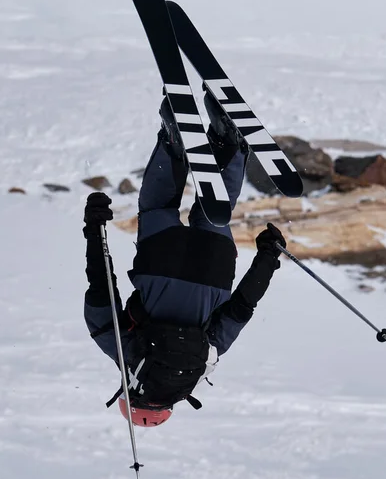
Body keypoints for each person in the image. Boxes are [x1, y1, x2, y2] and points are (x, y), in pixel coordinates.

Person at [82, 115, 284, 425]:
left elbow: (241, 309)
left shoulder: (202, 364)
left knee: (213, 212)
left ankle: (229, 143)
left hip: (213, 269)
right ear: (127, 392)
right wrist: (94, 227)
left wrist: (268, 258)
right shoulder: (127, 356)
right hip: (161, 264)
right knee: (158, 207)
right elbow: (101, 289)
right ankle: (173, 145)